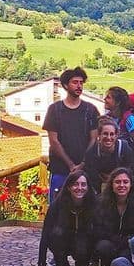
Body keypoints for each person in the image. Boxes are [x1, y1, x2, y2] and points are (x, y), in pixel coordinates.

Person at [43, 67, 100, 200]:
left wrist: (83, 163)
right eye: (75, 82)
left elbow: (94, 139)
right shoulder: (55, 110)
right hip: (60, 169)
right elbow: (54, 141)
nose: (79, 86)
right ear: (65, 85)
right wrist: (71, 165)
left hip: (85, 172)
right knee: (57, 209)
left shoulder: (90, 110)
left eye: (81, 83)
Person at [35, 172, 96, 266]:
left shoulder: (94, 204)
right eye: (75, 184)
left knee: (90, 237)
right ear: (68, 187)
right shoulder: (56, 206)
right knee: (55, 234)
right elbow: (45, 235)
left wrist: (96, 262)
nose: (79, 188)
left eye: (83, 185)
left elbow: (100, 232)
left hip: (84, 243)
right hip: (63, 240)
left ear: (88, 187)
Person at [92, 168, 134, 266]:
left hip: (128, 243)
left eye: (125, 182)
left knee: (128, 253)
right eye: (117, 182)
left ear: (131, 185)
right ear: (111, 184)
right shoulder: (101, 202)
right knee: (103, 247)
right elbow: (97, 228)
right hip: (108, 241)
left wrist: (125, 240)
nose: (122, 185)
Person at [82, 118, 134, 194]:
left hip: (122, 186)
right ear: (99, 135)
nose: (109, 138)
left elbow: (130, 172)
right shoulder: (91, 152)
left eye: (112, 134)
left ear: (116, 135)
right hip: (99, 187)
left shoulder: (124, 149)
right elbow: (91, 178)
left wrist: (112, 178)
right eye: (105, 134)